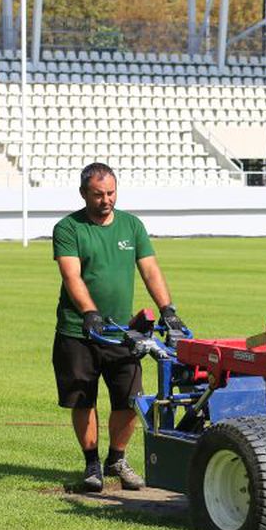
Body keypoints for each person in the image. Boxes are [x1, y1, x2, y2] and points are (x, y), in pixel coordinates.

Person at [52, 162, 188, 492]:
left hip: (121, 332)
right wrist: (89, 312)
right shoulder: (69, 228)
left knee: (129, 399)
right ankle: (91, 465)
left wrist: (167, 309)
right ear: (84, 193)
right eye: (98, 194)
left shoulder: (131, 226)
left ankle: (117, 459)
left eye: (111, 193)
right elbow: (72, 275)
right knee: (83, 400)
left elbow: (150, 270)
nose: (106, 200)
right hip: (78, 331)